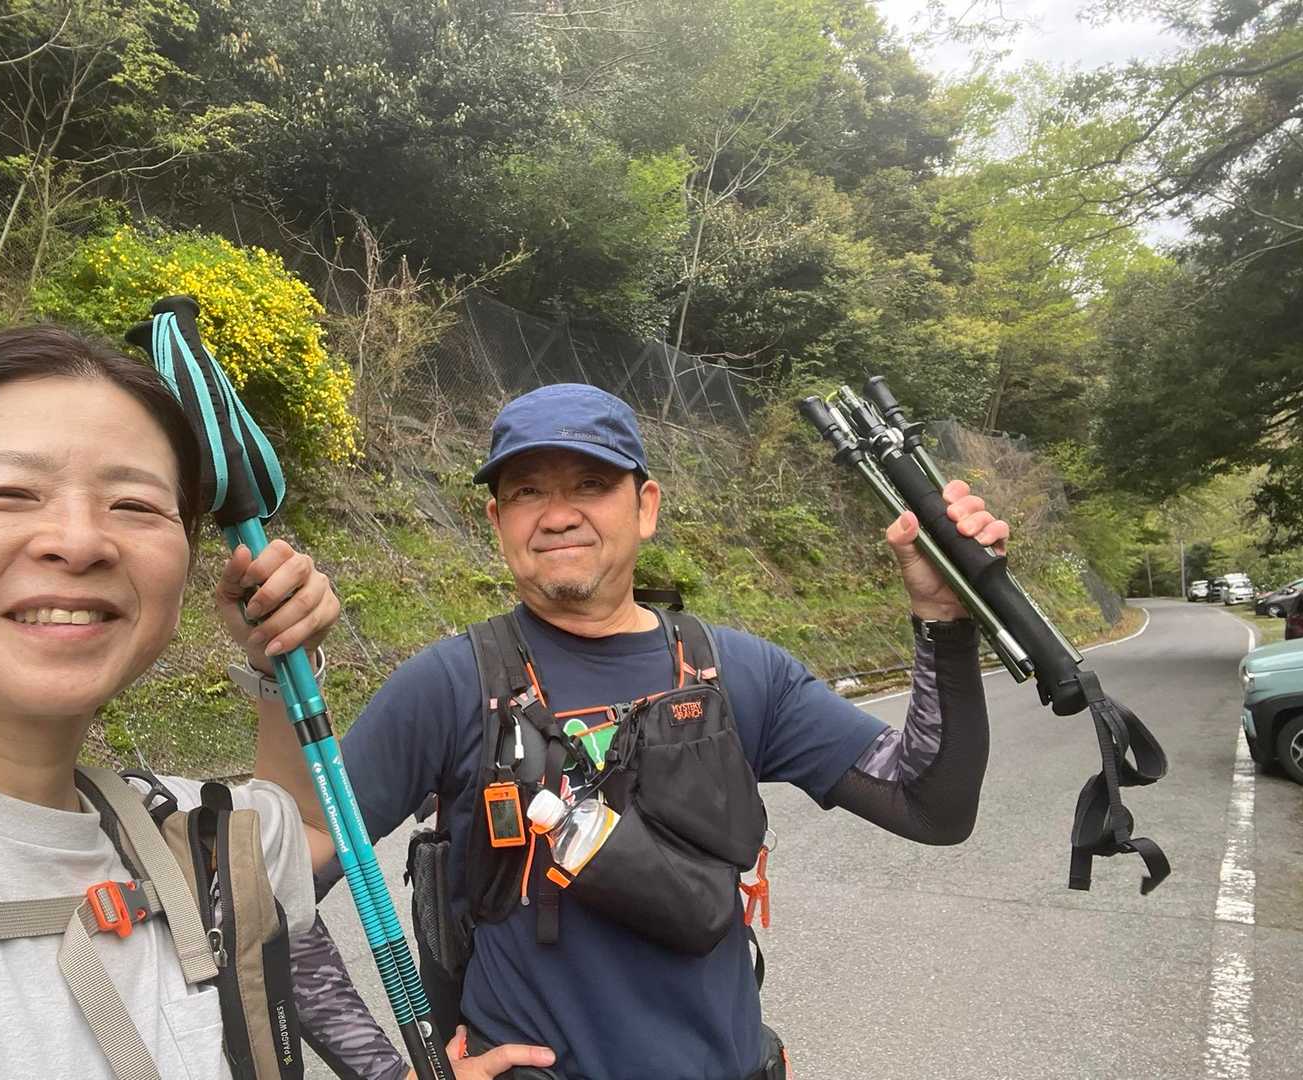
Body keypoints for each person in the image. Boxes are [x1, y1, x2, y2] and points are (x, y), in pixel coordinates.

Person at [277, 383, 1005, 1080]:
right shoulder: (445, 688)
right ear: (497, 521)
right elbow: (270, 897)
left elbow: (929, 805)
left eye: (591, 484)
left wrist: (944, 622)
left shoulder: (739, 673)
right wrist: (388, 1071)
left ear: (645, 506)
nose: (557, 516)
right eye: (527, 492)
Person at [0, 325, 549, 1080]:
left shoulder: (186, 843)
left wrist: (278, 662)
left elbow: (310, 833)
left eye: (134, 504)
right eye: (7, 493)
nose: (79, 540)